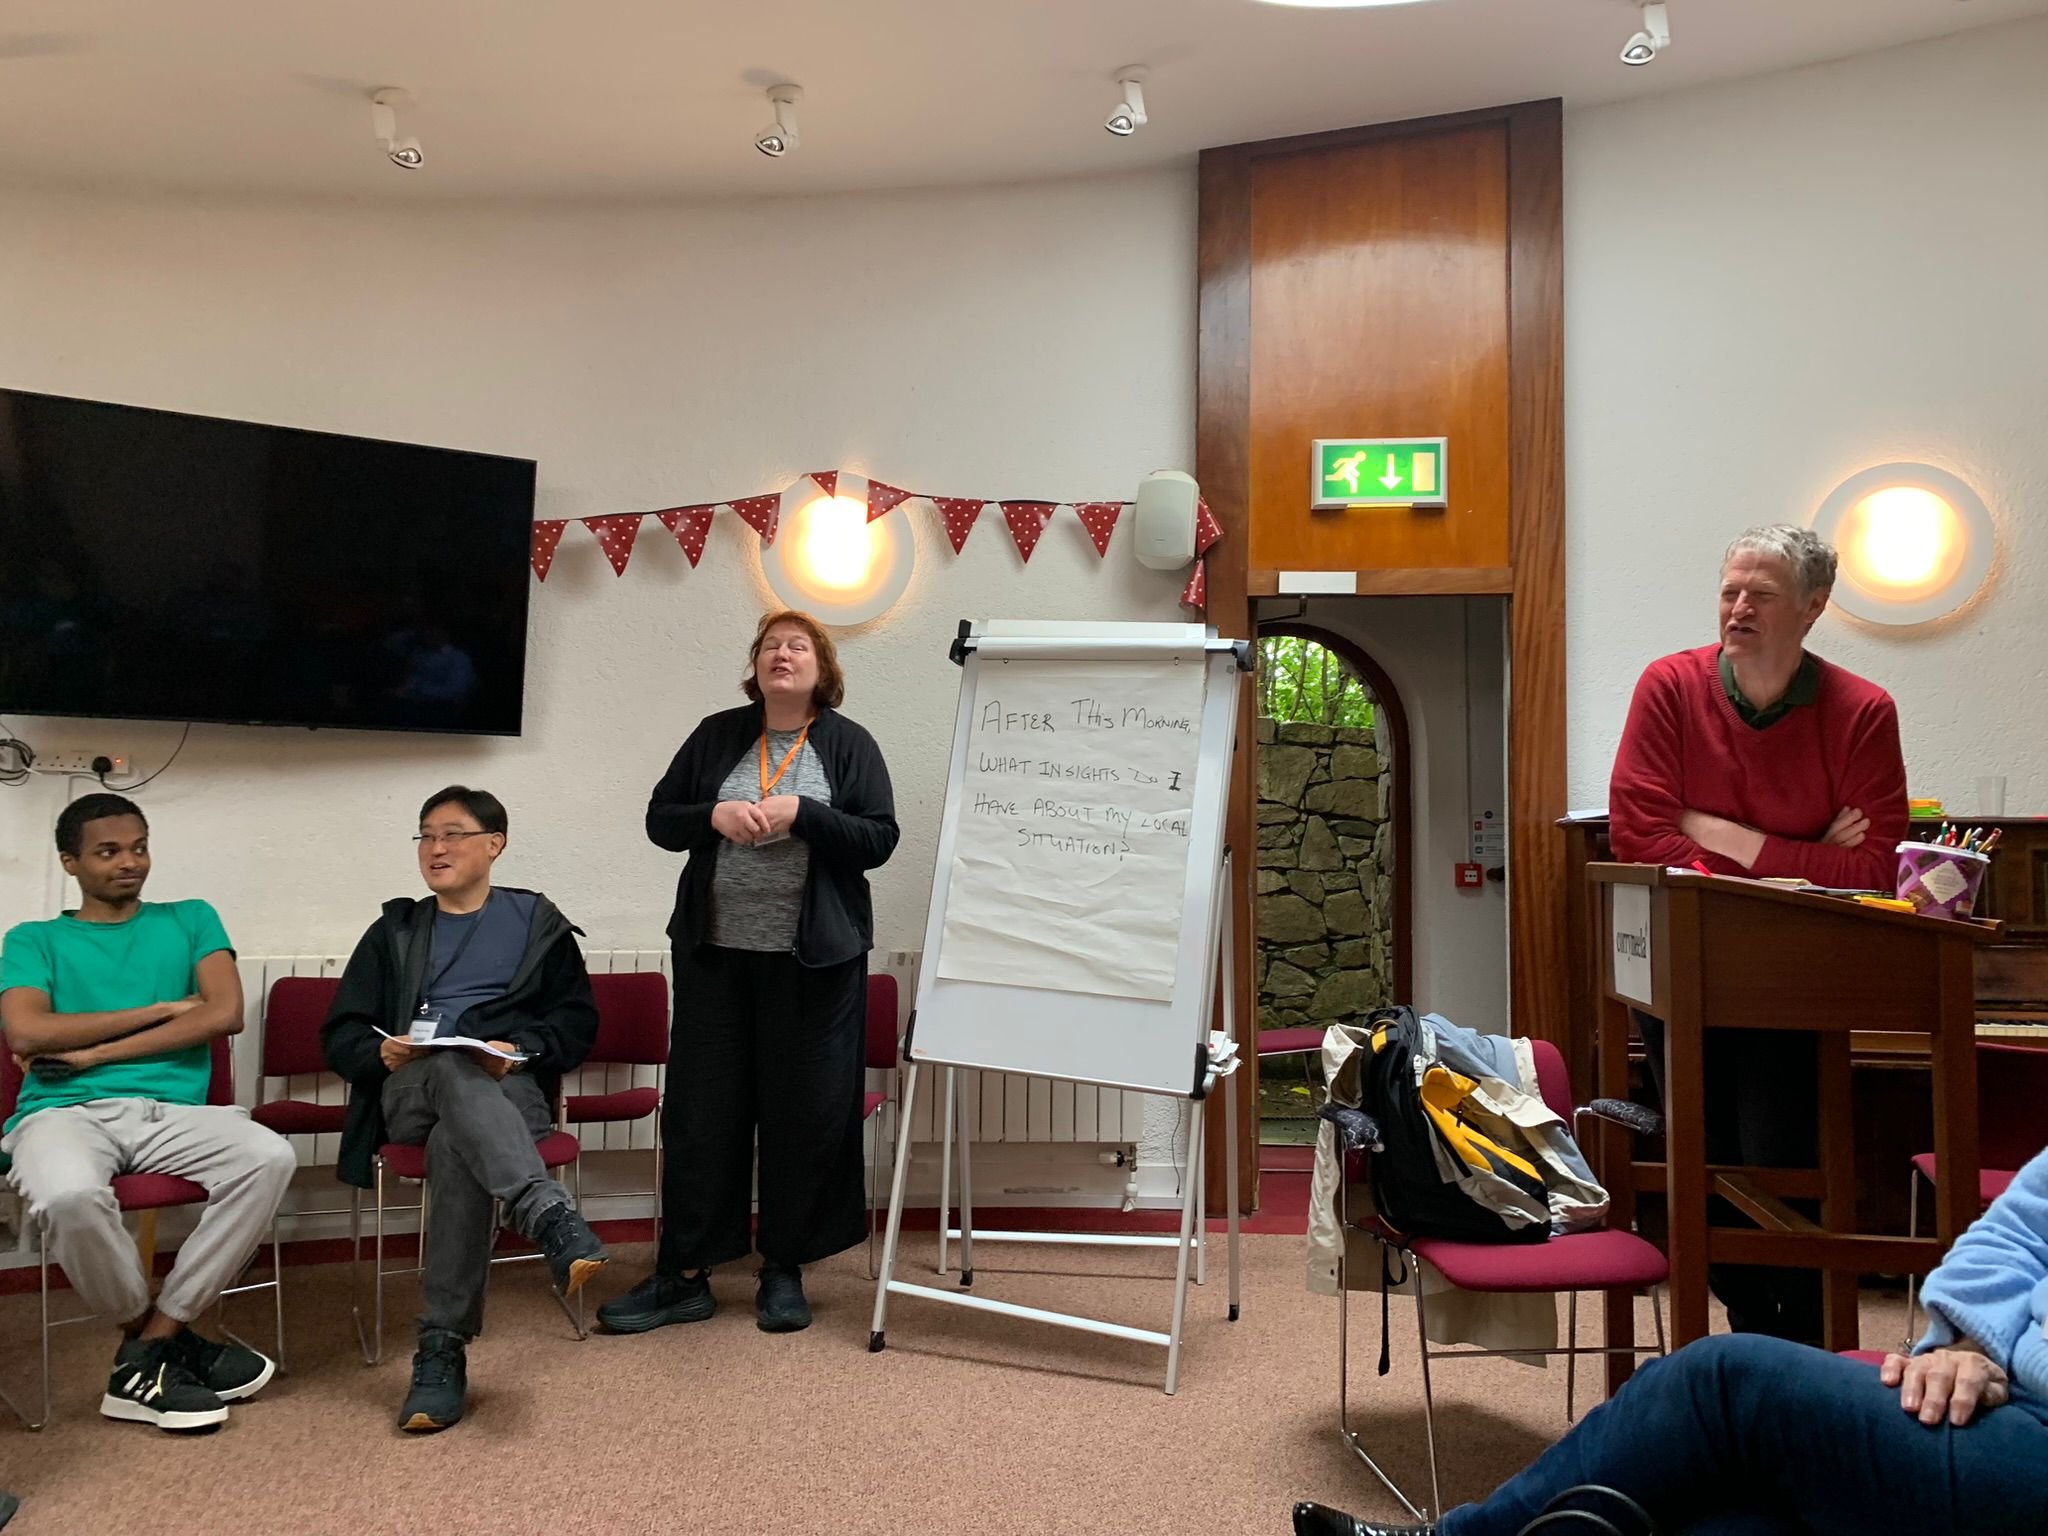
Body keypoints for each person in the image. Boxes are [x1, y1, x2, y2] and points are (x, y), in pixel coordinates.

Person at [1292, 1144, 2048, 1535]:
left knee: (1722, 1381)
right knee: (1724, 1520)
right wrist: (1972, 1342)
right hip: (2005, 1397)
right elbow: (2015, 1234)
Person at [1607, 525, 1908, 1342]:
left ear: (1813, 607)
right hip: (1682, 963)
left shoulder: (1862, 710)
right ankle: (1751, 1332)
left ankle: (1801, 1344)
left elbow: (1873, 867)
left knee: (1782, 1152)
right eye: (1729, 591)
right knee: (1701, 1157)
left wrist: (1726, 837)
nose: (1738, 608)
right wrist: (1802, 860)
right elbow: (1640, 837)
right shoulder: (1669, 687)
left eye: (1762, 595)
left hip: (1794, 974)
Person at [600, 610, 898, 1337]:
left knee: (804, 1115)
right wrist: (714, 816)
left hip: (815, 967)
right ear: (756, 665)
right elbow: (660, 819)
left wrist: (805, 812)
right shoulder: (716, 734)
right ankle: (685, 1275)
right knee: (702, 1116)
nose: (781, 654)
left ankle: (784, 1268)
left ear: (822, 668)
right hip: (716, 960)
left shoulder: (849, 744)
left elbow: (878, 839)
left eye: (797, 646)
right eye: (770, 645)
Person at [0, 793, 293, 1432]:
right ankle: (153, 1346)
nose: (129, 862)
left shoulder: (191, 919)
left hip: (173, 1113)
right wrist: (164, 1008)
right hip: (62, 1112)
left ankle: (155, 1342)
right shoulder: (33, 939)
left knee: (269, 1155)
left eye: (138, 848)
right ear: (70, 862)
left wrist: (90, 1051)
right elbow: (26, 1031)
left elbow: (224, 1014)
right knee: (70, 1196)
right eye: (108, 852)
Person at [322, 785, 608, 1433]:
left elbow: (576, 1023)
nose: (436, 848)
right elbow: (340, 1034)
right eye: (425, 835)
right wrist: (382, 1052)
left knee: (458, 1140)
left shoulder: (537, 926)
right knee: (450, 1063)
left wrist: (522, 1048)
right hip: (413, 1090)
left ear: (494, 844)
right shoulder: (396, 931)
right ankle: (543, 1210)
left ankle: (441, 1351)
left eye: (451, 833)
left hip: (506, 1093)